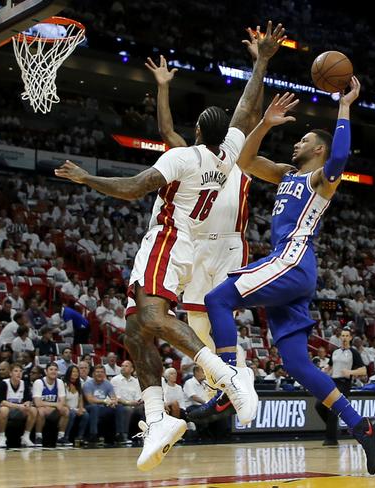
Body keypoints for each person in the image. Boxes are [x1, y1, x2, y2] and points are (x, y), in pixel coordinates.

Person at [54, 21, 287, 471]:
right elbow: (244, 108)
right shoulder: (229, 150)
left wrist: (86, 178)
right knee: (136, 327)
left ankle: (227, 375)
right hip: (191, 245)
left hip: (174, 240)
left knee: (156, 318)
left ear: (198, 130)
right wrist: (261, 62)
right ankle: (157, 418)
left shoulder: (184, 156)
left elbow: (134, 188)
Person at [200, 76, 375, 476]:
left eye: (302, 140)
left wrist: (345, 105)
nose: (295, 143)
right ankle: (363, 426)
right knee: (298, 364)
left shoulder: (321, 180)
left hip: (293, 262)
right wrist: (264, 123)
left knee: (218, 298)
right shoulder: (287, 174)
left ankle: (229, 386)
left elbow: (339, 160)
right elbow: (245, 161)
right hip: (292, 271)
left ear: (317, 149)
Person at [145, 35, 262, 419]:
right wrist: (164, 89)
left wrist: (261, 64)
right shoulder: (193, 159)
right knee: (197, 323)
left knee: (220, 313)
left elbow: (249, 111)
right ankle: (224, 383)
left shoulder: (238, 157)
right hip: (194, 242)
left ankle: (239, 376)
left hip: (228, 244)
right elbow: (167, 134)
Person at [0, 363, 37, 448]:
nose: (19, 373)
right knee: (4, 409)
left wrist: (27, 404)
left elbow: (28, 400)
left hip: (18, 410)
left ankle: (26, 436)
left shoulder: (24, 384)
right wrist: (19, 406)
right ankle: (2, 437)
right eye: (16, 371)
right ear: (10, 373)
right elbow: (2, 402)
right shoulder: (4, 383)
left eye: (20, 371)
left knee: (33, 410)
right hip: (2, 410)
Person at [83, 364, 124, 446]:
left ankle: (119, 434)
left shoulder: (107, 384)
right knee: (95, 407)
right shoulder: (88, 384)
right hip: (89, 407)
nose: (99, 374)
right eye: (97, 372)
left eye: (102, 372)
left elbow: (113, 397)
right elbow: (90, 400)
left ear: (104, 374)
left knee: (119, 407)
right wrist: (104, 401)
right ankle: (93, 435)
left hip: (102, 407)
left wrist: (113, 402)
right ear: (93, 374)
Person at [32, 362, 69, 447]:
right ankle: (38, 437)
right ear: (46, 371)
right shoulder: (39, 382)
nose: (53, 371)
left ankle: (61, 437)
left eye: (56, 370)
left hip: (51, 409)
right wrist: (55, 405)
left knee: (65, 410)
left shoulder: (59, 382)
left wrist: (51, 406)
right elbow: (37, 403)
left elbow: (62, 401)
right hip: (41, 409)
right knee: (40, 411)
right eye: (51, 369)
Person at [111, 360, 143, 445]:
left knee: (144, 408)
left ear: (132, 369)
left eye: (126, 366)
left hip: (134, 405)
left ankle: (143, 435)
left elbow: (139, 396)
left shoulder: (136, 381)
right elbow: (116, 397)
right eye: (122, 366)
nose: (123, 368)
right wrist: (128, 403)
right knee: (127, 409)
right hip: (120, 405)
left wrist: (138, 401)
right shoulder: (115, 380)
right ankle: (123, 435)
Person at [63, 365, 88, 445]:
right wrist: (72, 409)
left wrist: (81, 408)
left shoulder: (78, 385)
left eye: (77, 372)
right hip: (66, 408)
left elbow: (80, 400)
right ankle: (65, 437)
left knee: (86, 415)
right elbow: (63, 401)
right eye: (73, 371)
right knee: (72, 414)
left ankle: (80, 437)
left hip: (75, 408)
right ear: (69, 373)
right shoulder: (63, 385)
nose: (75, 373)